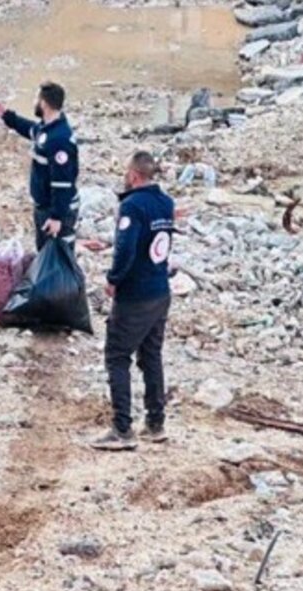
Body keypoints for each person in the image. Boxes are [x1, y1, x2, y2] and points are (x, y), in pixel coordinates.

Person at [91, 151, 176, 452]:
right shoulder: (166, 203)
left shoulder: (132, 206)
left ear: (134, 175)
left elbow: (125, 249)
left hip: (136, 293)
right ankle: (156, 422)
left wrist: (113, 279)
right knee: (151, 356)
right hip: (160, 290)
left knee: (117, 355)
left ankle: (122, 428)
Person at [0, 82, 79, 249]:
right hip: (45, 207)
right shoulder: (47, 129)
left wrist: (57, 217)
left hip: (56, 210)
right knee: (44, 256)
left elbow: (62, 183)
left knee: (59, 261)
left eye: (36, 99)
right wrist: (5, 115)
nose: (34, 103)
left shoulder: (59, 140)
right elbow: (30, 129)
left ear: (43, 103)